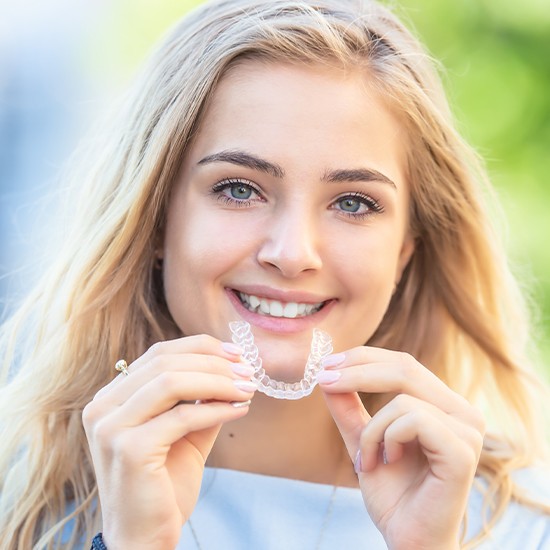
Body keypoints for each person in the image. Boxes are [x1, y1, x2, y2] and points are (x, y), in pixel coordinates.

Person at [1, 0, 549, 548]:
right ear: (156, 220)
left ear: (405, 250)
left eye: (354, 203)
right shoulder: (25, 516)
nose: (292, 254)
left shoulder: (525, 529)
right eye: (239, 189)